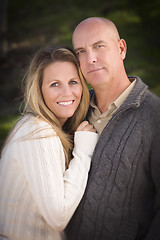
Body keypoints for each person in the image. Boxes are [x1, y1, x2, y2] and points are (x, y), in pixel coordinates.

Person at [65, 17, 160, 240]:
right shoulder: (71, 110)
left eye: (99, 46)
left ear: (121, 48)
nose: (91, 59)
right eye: (80, 51)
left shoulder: (155, 116)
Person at [0, 46, 99, 240]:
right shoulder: (38, 132)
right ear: (40, 90)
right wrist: (83, 151)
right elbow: (59, 217)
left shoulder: (37, 127)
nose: (67, 92)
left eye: (73, 82)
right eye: (55, 84)